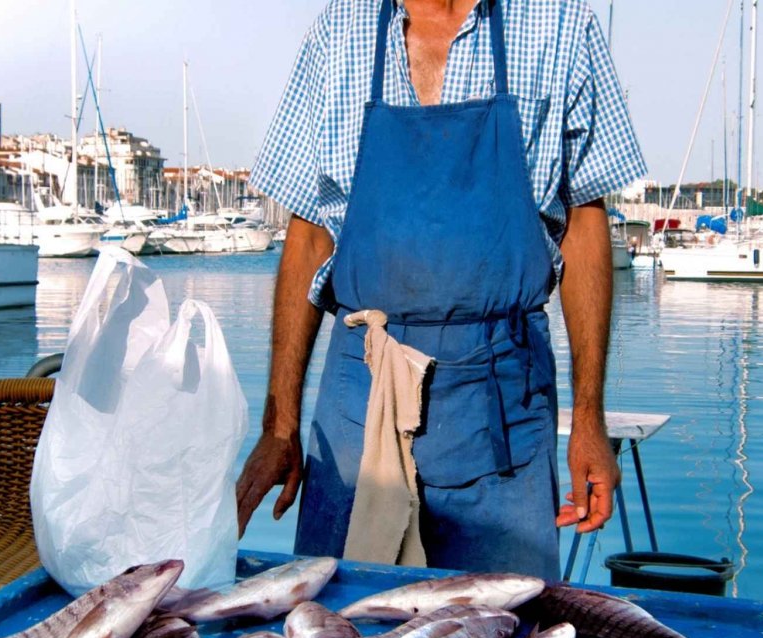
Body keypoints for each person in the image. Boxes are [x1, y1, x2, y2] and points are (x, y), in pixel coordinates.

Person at [236, 0, 645, 578]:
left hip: (501, 399)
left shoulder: (561, 25)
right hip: (360, 394)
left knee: (505, 634)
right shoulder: (340, 28)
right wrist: (279, 427)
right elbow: (307, 236)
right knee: (338, 636)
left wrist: (588, 421)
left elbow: (583, 223)